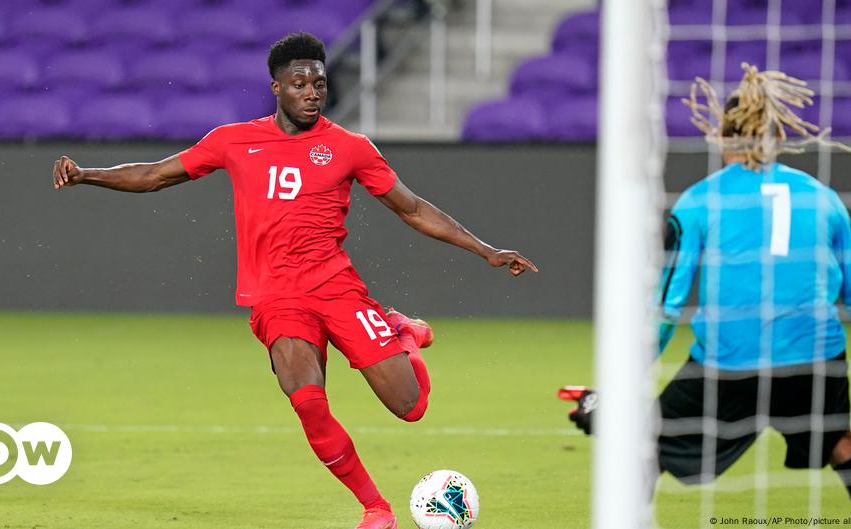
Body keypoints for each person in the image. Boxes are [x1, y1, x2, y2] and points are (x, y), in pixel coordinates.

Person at [52, 32, 536, 529]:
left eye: (319, 84)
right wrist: (87, 174)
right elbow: (154, 174)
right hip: (276, 298)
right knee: (306, 397)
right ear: (276, 88)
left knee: (411, 408)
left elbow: (411, 208)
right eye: (299, 83)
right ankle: (376, 508)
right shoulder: (233, 141)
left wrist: (485, 250)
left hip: (335, 287)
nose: (311, 92)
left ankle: (404, 333)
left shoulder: (349, 148)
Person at [568, 64, 851, 523]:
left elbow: (667, 310)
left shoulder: (698, 201)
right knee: (841, 444)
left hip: (730, 362)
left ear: (721, 135)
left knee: (641, 445)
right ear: (777, 136)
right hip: (814, 358)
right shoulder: (824, 197)